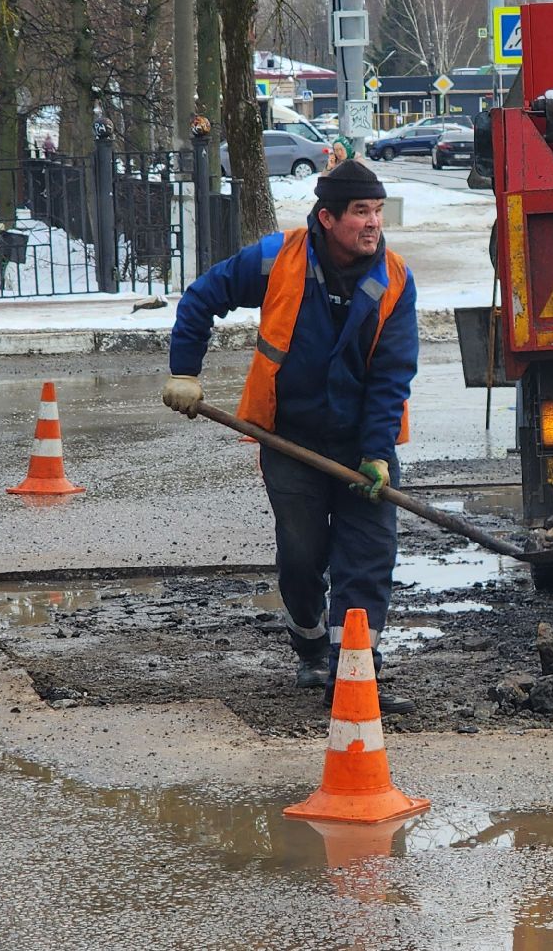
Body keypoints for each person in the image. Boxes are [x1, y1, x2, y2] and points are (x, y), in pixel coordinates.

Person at [161, 160, 418, 712]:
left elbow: (392, 375)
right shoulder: (278, 259)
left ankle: (354, 677)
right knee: (303, 556)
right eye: (360, 213)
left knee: (368, 555)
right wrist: (185, 370)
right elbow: (203, 295)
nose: (373, 224)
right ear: (327, 217)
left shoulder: (394, 279)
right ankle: (308, 645)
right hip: (288, 438)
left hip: (360, 444)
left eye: (377, 211)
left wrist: (376, 454)